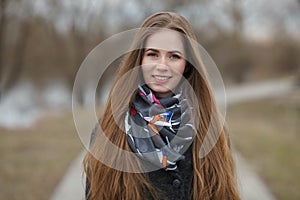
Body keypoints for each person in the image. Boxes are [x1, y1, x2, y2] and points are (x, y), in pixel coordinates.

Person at [83, 12, 241, 200]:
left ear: (187, 65)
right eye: (153, 54)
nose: (162, 65)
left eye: (174, 56)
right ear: (139, 60)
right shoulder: (107, 131)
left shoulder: (213, 130)